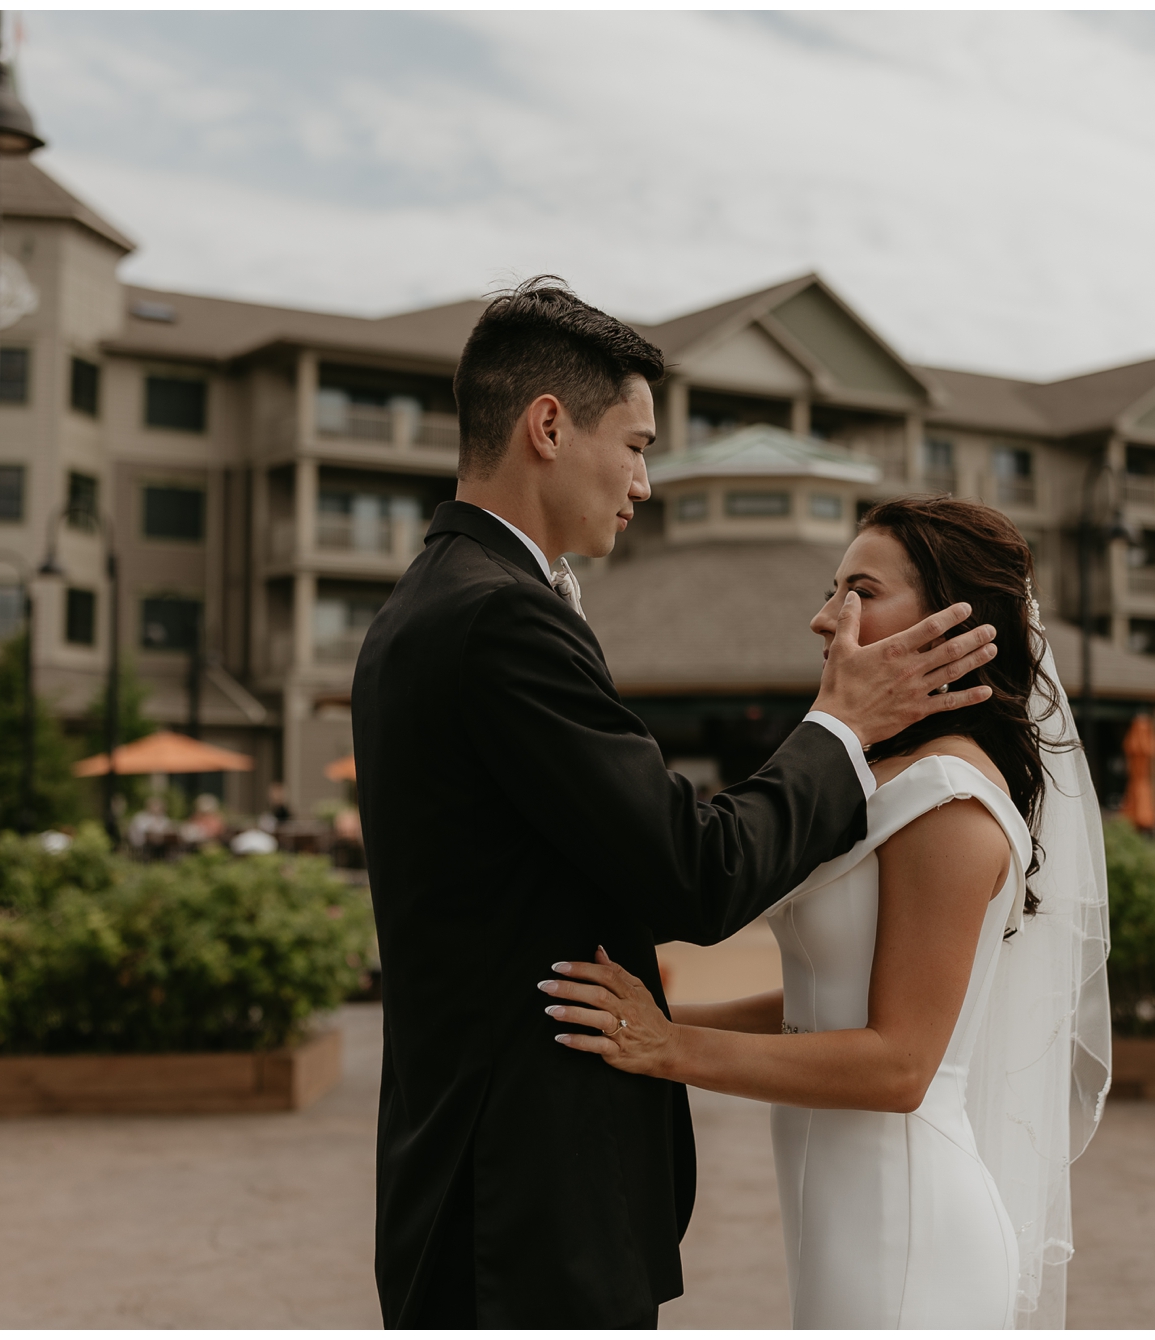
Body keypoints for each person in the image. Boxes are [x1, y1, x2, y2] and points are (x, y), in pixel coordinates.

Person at [352, 278, 1000, 1329]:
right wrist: (837, 726)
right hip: (522, 1205)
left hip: (488, 1186)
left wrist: (672, 1025)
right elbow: (692, 872)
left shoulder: (433, 601)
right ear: (548, 426)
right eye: (639, 444)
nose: (644, 483)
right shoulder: (497, 619)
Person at [545, 497, 1111, 1328]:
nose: (824, 618)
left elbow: (900, 1063)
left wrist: (670, 1048)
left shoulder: (951, 800)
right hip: (844, 1220)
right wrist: (650, 1012)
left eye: (860, 591)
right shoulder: (886, 779)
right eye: (829, 589)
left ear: (955, 622)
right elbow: (823, 1003)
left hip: (908, 1226)